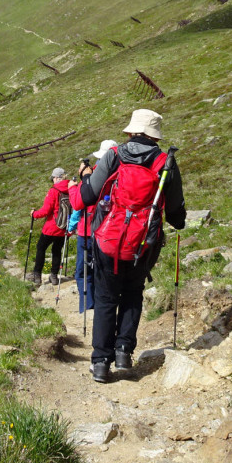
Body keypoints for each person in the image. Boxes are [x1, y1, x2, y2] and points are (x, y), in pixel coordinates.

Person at [76, 110, 185, 383]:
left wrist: (86, 177)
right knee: (133, 294)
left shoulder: (114, 155)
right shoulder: (165, 161)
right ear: (154, 135)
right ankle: (124, 351)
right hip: (143, 244)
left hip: (109, 240)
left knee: (105, 299)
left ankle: (101, 362)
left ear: (132, 131)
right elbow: (175, 214)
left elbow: (88, 196)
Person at [68, 140, 117, 313]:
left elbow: (77, 203)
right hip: (110, 232)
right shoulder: (119, 174)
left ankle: (88, 307)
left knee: (83, 271)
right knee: (102, 270)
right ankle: (104, 306)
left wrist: (73, 187)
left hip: (88, 231)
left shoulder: (92, 176)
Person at [27, 167, 70, 286]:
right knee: (57, 250)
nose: (53, 180)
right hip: (64, 227)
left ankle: (37, 276)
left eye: (53, 178)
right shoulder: (72, 188)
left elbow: (46, 210)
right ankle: (54, 276)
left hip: (52, 226)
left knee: (41, 247)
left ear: (57, 178)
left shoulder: (54, 191)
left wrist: (34, 214)